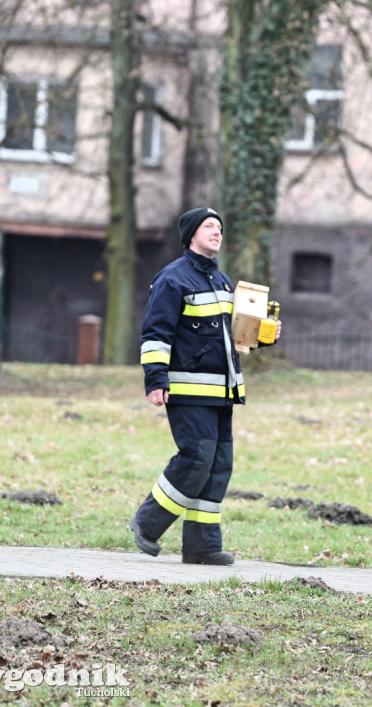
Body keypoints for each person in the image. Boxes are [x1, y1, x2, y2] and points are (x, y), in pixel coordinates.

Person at [128, 207, 281, 565]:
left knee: (218, 464)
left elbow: (234, 338)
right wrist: (155, 379)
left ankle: (201, 545)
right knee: (195, 459)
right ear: (191, 235)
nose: (217, 232)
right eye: (209, 227)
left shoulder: (225, 282)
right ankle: (146, 523)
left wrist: (264, 336)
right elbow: (155, 333)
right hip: (187, 389)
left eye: (220, 228)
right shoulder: (172, 279)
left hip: (221, 392)